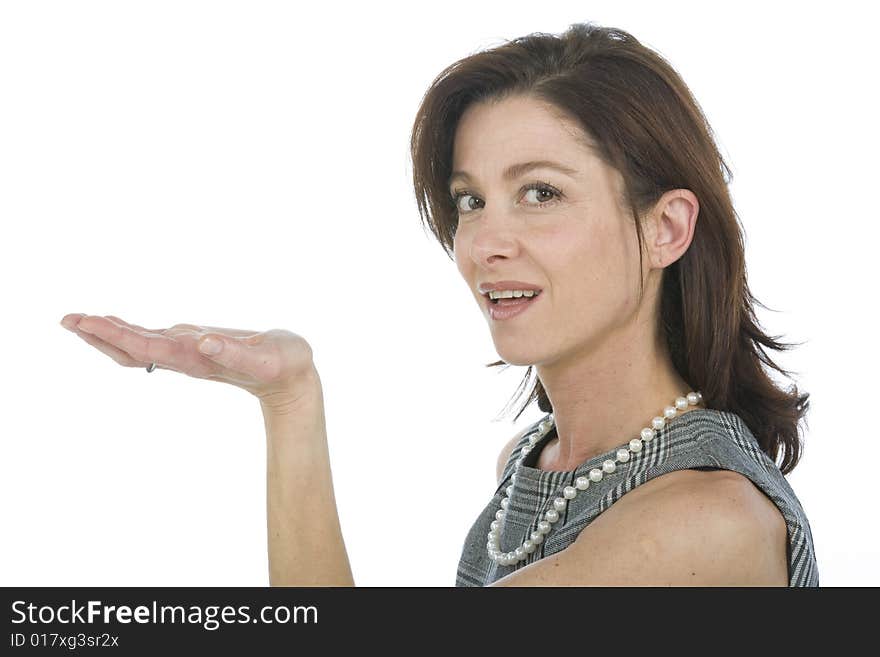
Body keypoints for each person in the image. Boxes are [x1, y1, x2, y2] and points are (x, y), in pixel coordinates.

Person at [59, 21, 818, 586]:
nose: (486, 241)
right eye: (470, 200)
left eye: (540, 193)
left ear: (666, 227)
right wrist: (288, 395)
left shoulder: (701, 522)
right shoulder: (539, 467)